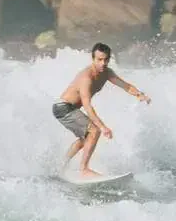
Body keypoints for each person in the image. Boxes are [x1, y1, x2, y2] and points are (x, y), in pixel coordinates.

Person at [51, 42, 150, 179]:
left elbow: (125, 86)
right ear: (93, 59)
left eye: (106, 59)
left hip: (69, 108)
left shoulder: (107, 73)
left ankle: (60, 166)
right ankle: (84, 169)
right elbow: (87, 106)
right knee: (94, 130)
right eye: (99, 60)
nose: (103, 63)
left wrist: (139, 95)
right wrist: (103, 127)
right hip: (63, 108)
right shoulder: (86, 78)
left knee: (85, 139)